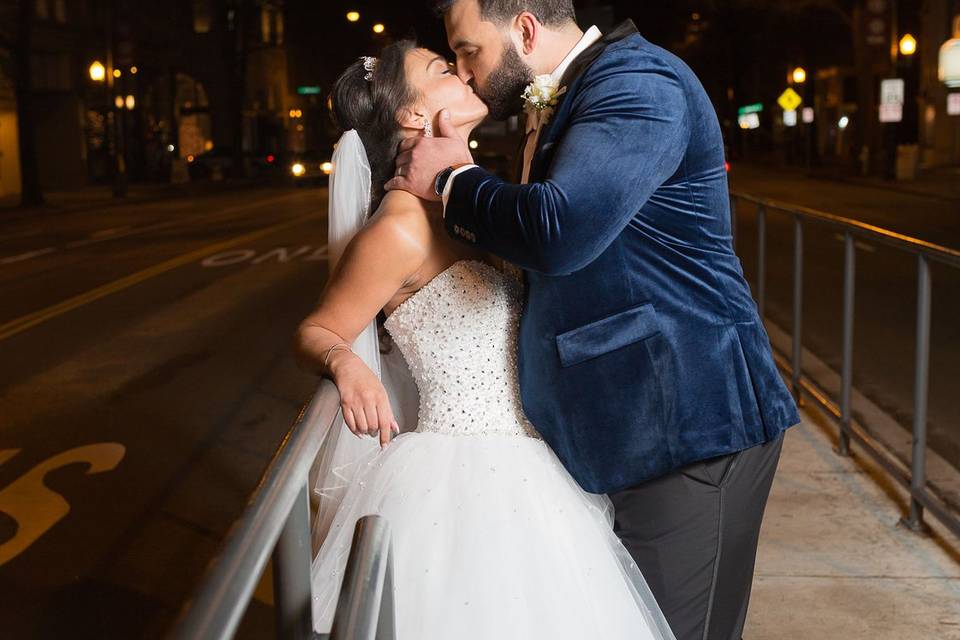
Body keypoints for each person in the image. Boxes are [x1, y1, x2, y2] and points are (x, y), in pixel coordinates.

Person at [384, 2, 801, 639]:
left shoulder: (638, 83)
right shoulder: (562, 94)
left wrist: (450, 182)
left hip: (689, 419)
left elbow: (561, 229)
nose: (465, 72)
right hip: (628, 423)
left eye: (470, 51)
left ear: (524, 29)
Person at [295, 41, 676, 639]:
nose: (464, 70)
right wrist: (345, 361)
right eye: (443, 69)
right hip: (455, 485)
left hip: (538, 473)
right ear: (412, 116)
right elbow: (319, 327)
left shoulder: (470, 200)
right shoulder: (397, 227)